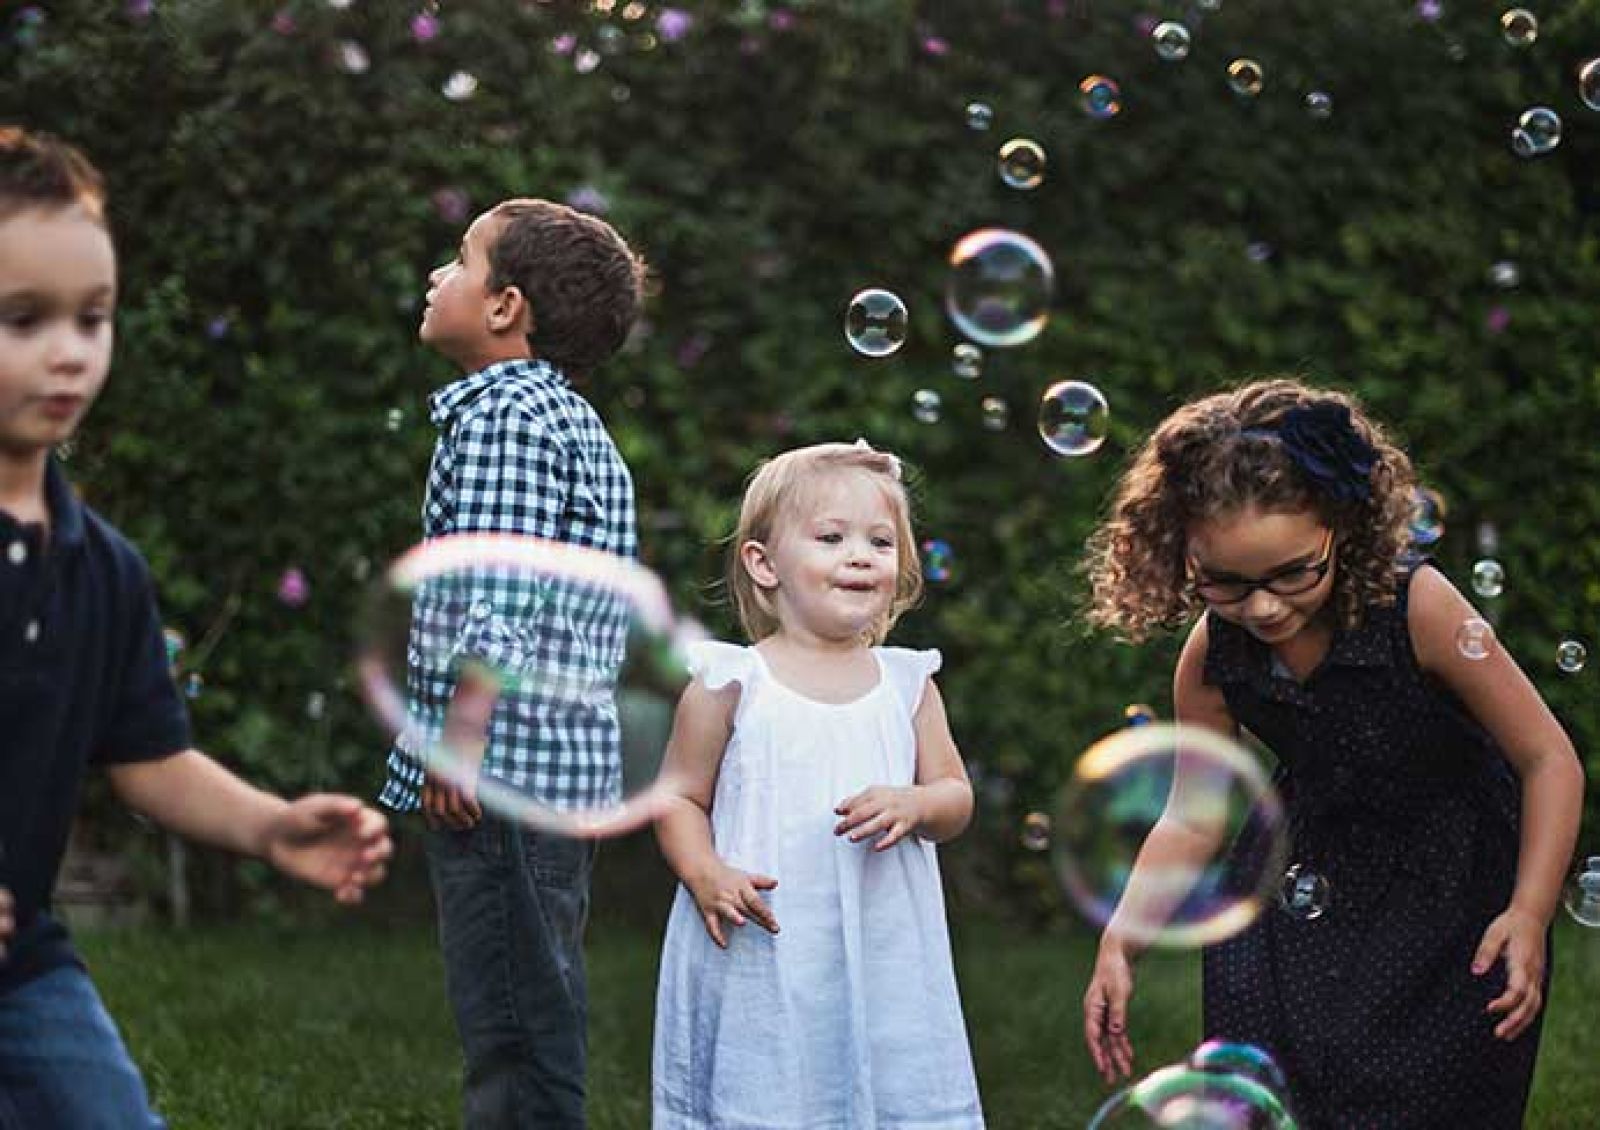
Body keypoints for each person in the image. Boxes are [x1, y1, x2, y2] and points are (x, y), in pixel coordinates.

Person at [0, 127, 393, 1127]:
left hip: (21, 962)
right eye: (23, 318)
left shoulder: (101, 567)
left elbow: (146, 756)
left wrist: (268, 825)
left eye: (93, 317)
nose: (69, 350)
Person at [1078, 378, 1585, 1126]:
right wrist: (1122, 939)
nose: (1263, 607)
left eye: (1293, 573)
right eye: (1224, 583)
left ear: (1343, 528)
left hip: (1444, 883)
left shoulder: (1420, 609)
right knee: (1284, 1091)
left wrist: (1530, 912)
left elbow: (1548, 758)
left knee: (1423, 1095)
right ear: (1179, 554)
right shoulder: (1213, 654)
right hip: (1296, 884)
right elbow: (1193, 816)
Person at [376, 197, 644, 1128]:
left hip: (501, 771)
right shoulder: (565, 420)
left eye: (459, 261)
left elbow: (501, 587)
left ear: (505, 307)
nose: (436, 277)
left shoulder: (506, 417)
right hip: (546, 774)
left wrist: (461, 737)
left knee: (513, 1023)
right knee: (537, 996)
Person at [651, 440, 985, 1128]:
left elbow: (955, 796)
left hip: (882, 942)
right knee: (769, 1088)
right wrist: (704, 870)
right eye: (831, 537)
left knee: (887, 1078)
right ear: (764, 563)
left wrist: (917, 803)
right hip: (764, 942)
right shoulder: (731, 681)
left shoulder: (906, 683)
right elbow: (680, 795)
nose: (860, 555)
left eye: (881, 541)